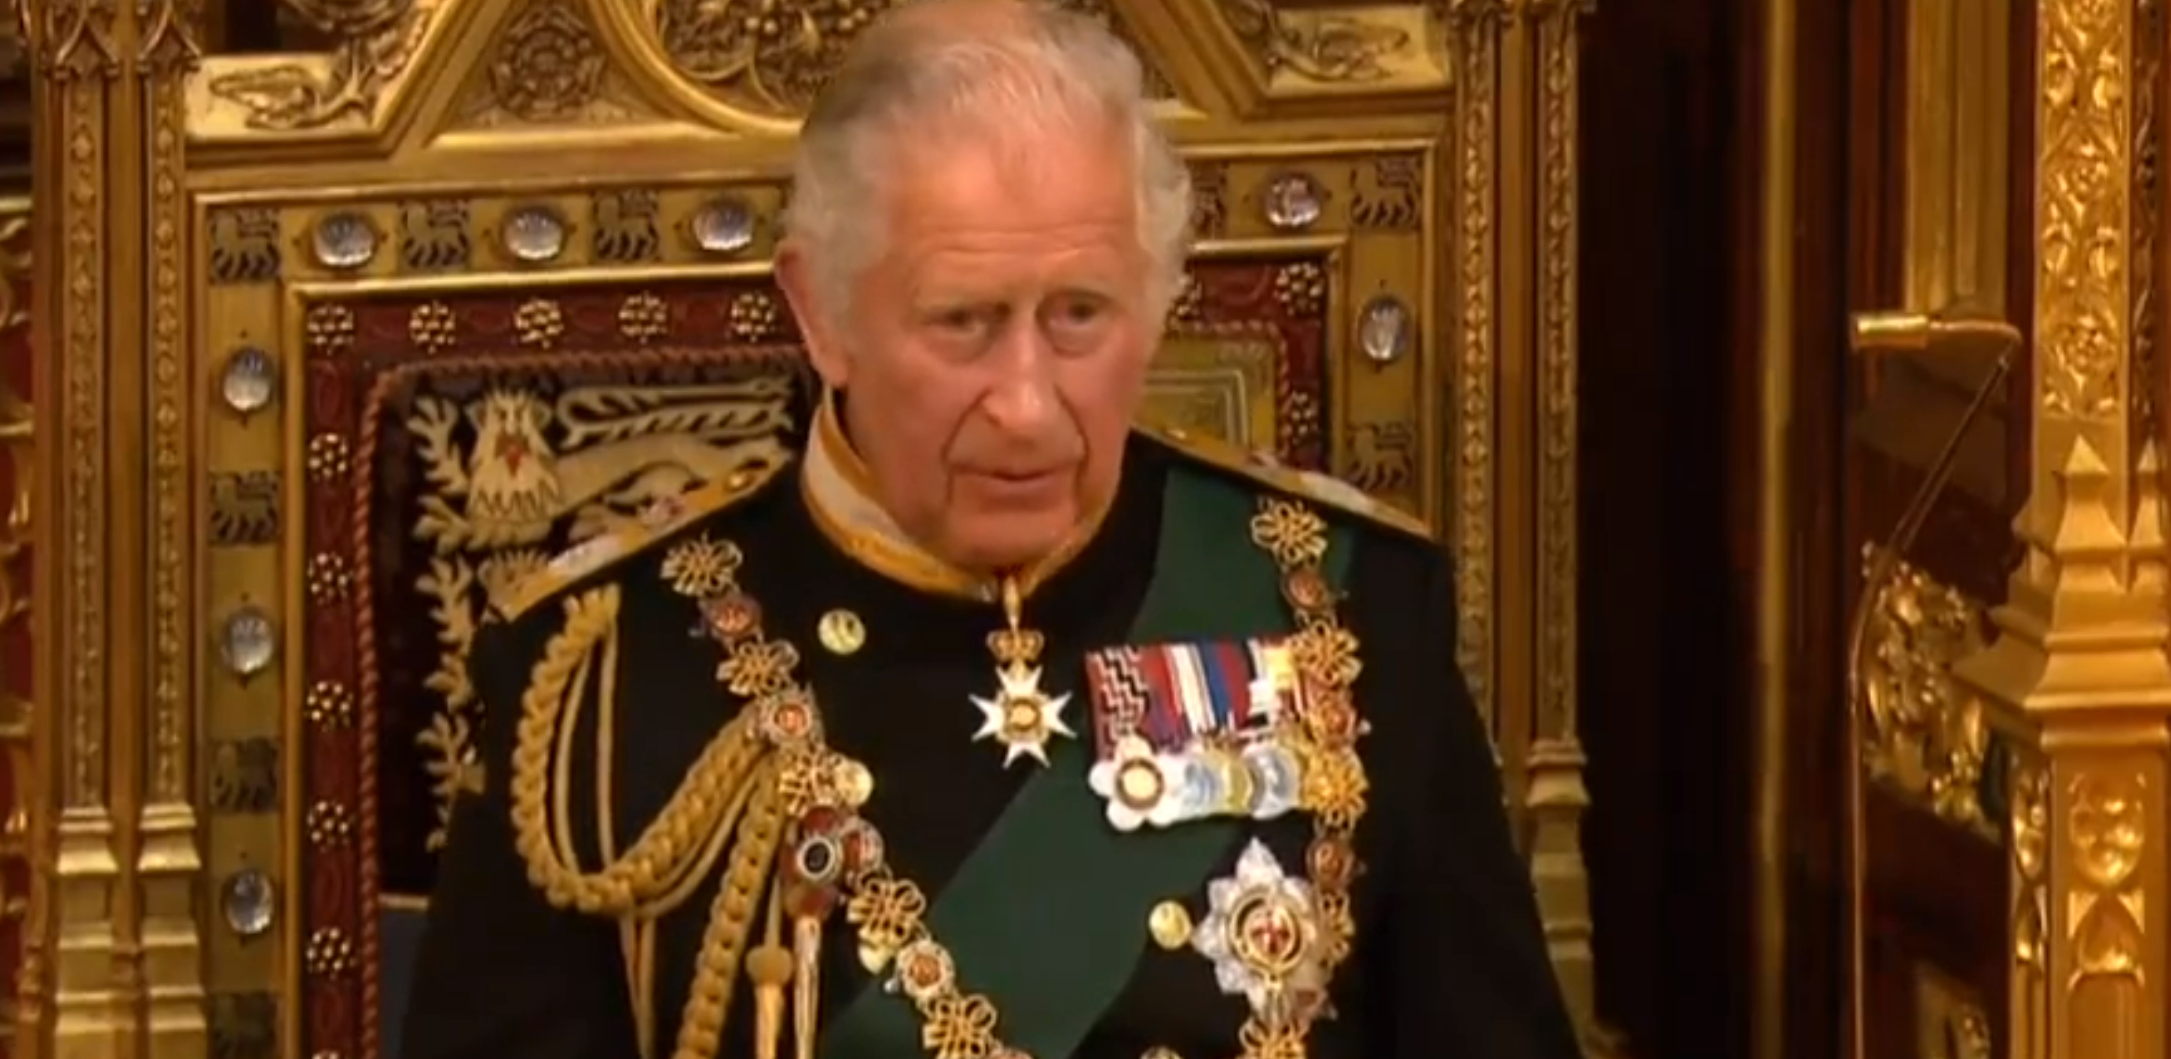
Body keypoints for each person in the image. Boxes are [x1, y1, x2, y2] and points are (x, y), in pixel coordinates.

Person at [397, 2, 1582, 1058]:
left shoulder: (1340, 601)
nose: (1024, 402)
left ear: (1159, 300)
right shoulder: (601, 676)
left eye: (1078, 316)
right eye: (961, 322)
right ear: (820, 314)